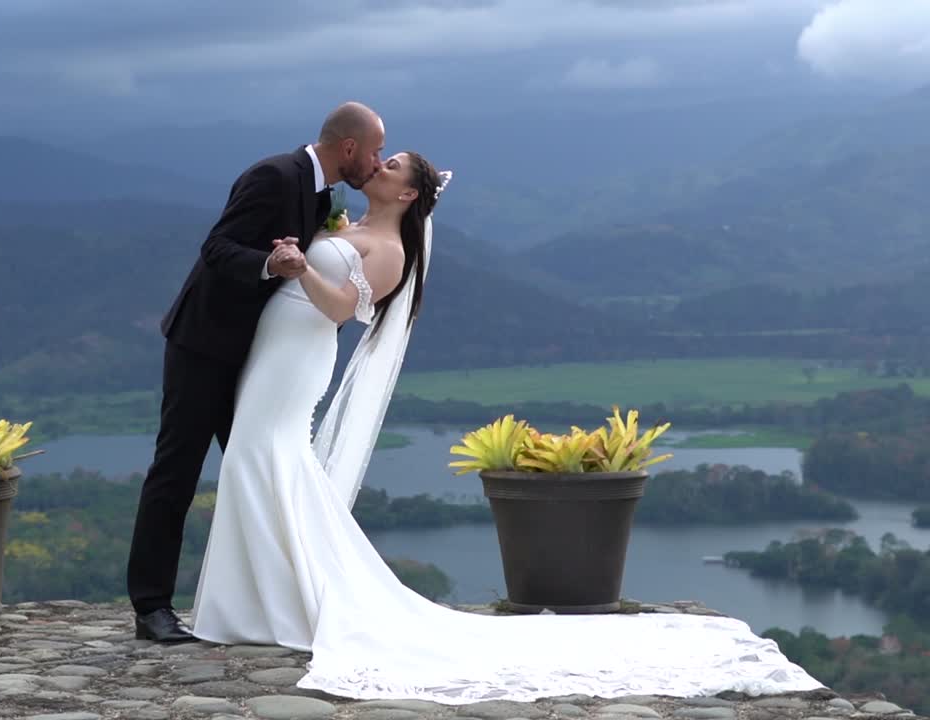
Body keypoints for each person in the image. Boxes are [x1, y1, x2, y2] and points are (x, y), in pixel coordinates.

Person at [186, 151, 825, 705]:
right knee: (257, 456)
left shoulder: (389, 249)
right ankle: (262, 597)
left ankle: (271, 600)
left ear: (407, 194)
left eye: (391, 166)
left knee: (266, 454)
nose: (378, 168)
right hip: (276, 347)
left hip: (300, 352)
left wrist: (301, 271)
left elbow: (343, 312)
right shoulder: (353, 227)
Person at [125, 101, 386, 643]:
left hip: (255, 358)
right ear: (350, 149)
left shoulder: (321, 194)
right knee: (176, 471)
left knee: (265, 473)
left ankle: (277, 603)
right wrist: (272, 264)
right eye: (377, 150)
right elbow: (217, 246)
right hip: (204, 346)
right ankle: (151, 608)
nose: (378, 162)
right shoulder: (274, 174)